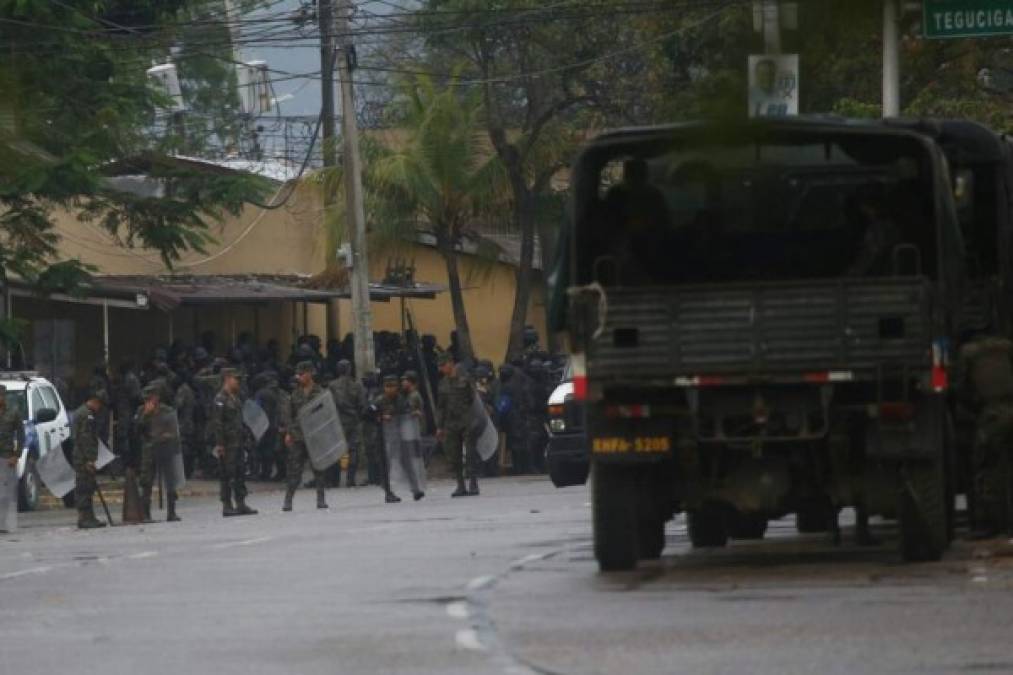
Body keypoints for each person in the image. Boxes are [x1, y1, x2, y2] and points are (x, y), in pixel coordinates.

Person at [958, 336, 1013, 537]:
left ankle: (990, 524)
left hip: (993, 415)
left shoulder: (969, 352)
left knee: (986, 469)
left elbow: (960, 388)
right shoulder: (1006, 347)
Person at [211, 368, 258, 517]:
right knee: (226, 474)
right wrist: (220, 444)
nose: (238, 382)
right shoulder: (220, 399)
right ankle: (227, 505)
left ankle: (241, 503)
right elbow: (217, 423)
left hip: (238, 442)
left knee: (239, 472)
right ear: (227, 379)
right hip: (227, 443)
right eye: (236, 379)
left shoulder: (235, 398)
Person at [283, 362, 329, 512]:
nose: (299, 377)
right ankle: (288, 500)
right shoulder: (295, 394)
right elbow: (288, 415)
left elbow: (327, 415)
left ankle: (321, 499)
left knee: (319, 469)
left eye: (301, 374)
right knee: (294, 470)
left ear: (310, 374)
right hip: (298, 437)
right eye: (298, 374)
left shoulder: (320, 392)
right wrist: (289, 432)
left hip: (315, 436)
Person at [134, 386, 181, 523]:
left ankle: (171, 512)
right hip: (149, 449)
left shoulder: (167, 410)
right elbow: (136, 430)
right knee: (146, 481)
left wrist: (164, 437)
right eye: (146, 398)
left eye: (151, 397)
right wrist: (145, 415)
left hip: (165, 448)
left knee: (171, 481)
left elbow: (173, 431)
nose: (149, 400)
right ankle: (146, 514)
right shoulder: (141, 411)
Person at [436, 353, 478, 497]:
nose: (442, 369)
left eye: (443, 365)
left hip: (466, 420)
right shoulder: (443, 383)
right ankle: (460, 485)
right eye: (440, 367)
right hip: (450, 423)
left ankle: (473, 483)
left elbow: (475, 399)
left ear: (450, 363)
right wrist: (439, 427)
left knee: (470, 453)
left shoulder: (465, 379)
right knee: (454, 454)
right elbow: (440, 407)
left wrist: (476, 418)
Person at [328, 360, 367, 487]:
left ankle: (334, 480)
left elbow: (329, 405)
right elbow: (362, 405)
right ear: (349, 369)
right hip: (354, 421)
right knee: (353, 450)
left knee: (336, 451)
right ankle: (351, 480)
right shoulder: (357, 385)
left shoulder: (332, 385)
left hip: (337, 422)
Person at [72, 390, 107, 529]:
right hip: (83, 458)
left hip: (82, 456)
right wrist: (89, 459)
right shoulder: (87, 415)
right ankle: (84, 518)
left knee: (88, 486)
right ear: (95, 401)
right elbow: (85, 438)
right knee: (84, 487)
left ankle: (89, 517)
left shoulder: (82, 412)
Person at [0, 385, 23, 474]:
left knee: (8, 486)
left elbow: (21, 434)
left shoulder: (14, 412)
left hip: (7, 457)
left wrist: (16, 455)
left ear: (4, 396)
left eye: (0, 395)